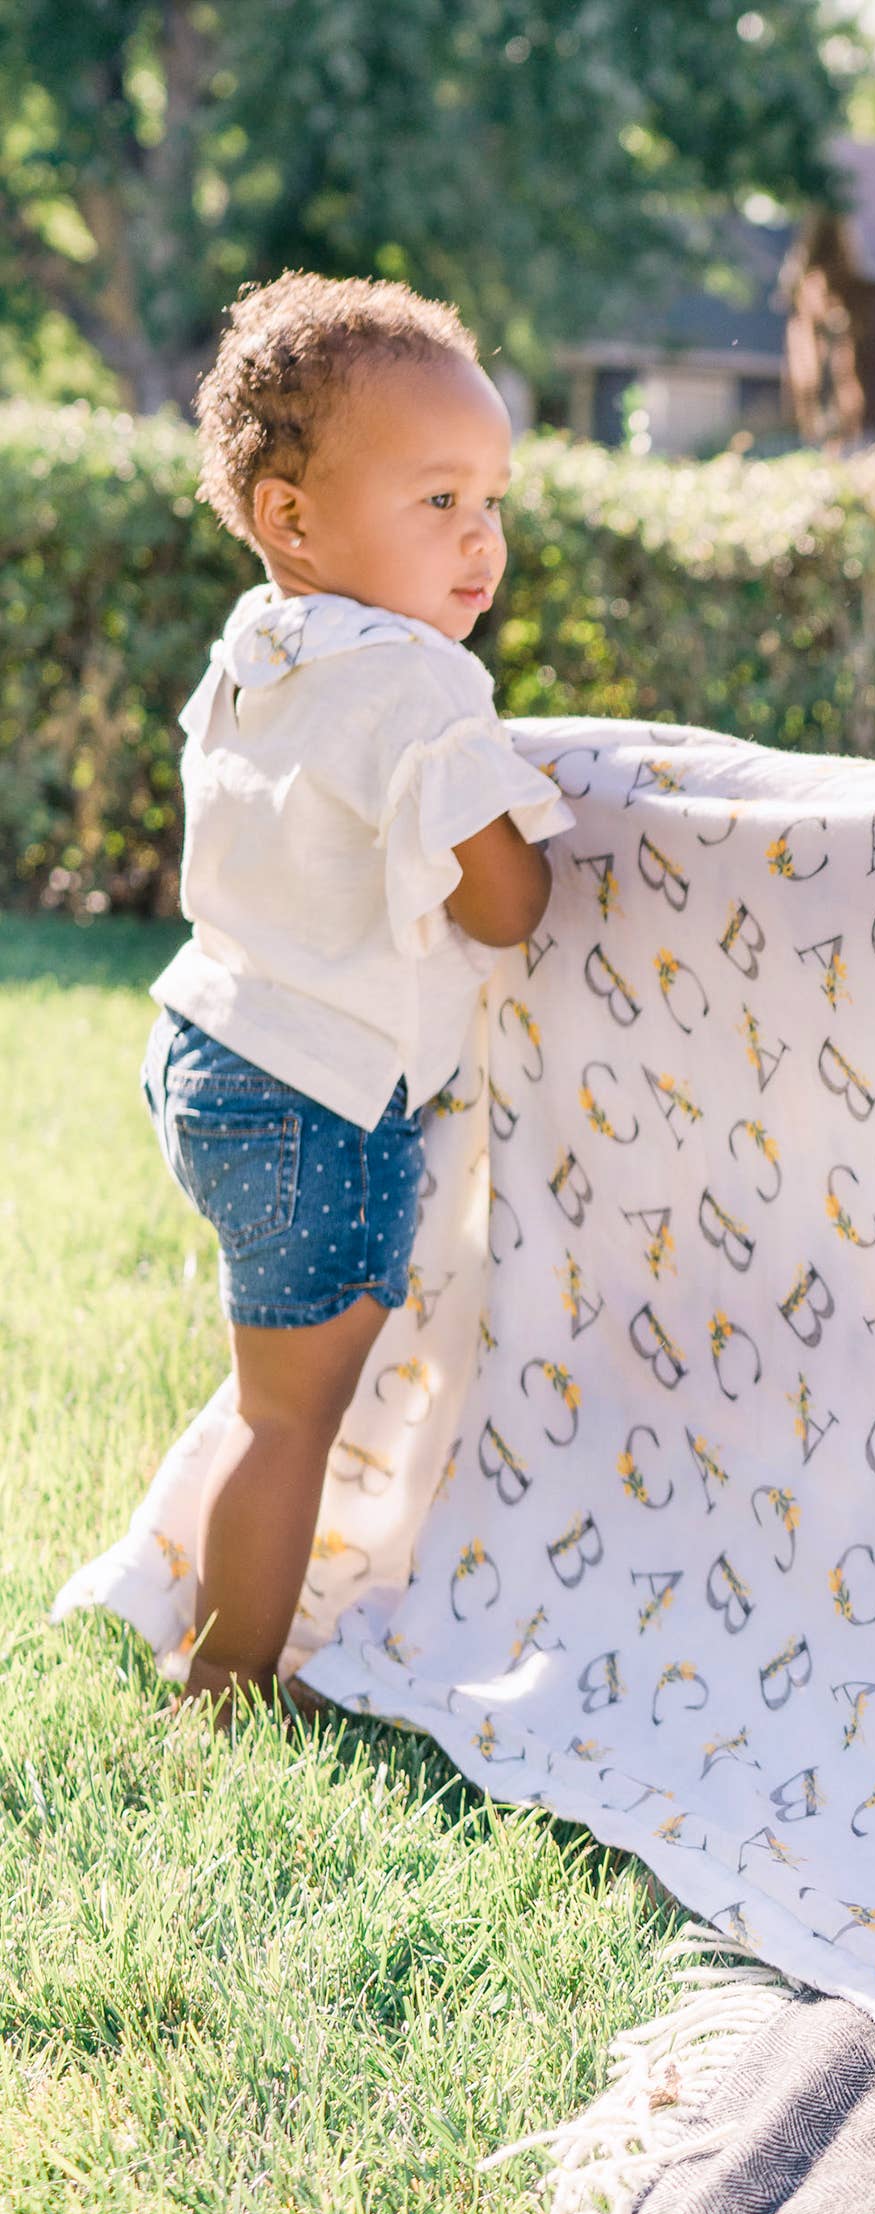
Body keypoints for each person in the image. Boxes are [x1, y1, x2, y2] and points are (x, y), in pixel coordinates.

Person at [141, 272, 572, 1720]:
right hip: (315, 1102)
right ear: (291, 517)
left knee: (265, 1391)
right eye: (438, 499)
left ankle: (220, 1630)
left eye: (492, 500)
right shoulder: (418, 685)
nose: (482, 539)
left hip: (207, 1044)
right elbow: (504, 903)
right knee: (289, 1420)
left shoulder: (259, 642)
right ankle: (227, 1680)